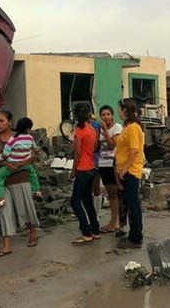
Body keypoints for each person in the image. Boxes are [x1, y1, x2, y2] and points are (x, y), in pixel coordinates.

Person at [0, 111, 39, 257]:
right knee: (4, 212)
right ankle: (6, 246)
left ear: (10, 122)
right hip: (4, 181)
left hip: (20, 178)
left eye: (2, 121)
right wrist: (6, 163)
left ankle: (33, 231)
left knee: (24, 208)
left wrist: (22, 162)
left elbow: (32, 154)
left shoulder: (21, 136)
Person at [0, 117, 40, 210]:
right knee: (33, 175)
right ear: (28, 129)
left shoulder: (13, 139)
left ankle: (0, 200)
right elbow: (35, 148)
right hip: (26, 165)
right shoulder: (30, 138)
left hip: (12, 166)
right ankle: (37, 191)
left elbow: (5, 154)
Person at [115, 98, 144, 249]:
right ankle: (133, 234)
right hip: (124, 170)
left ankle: (135, 237)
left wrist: (125, 167)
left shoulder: (133, 128)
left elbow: (134, 150)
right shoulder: (127, 127)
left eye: (119, 109)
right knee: (129, 203)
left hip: (131, 171)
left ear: (125, 110)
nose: (118, 112)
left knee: (133, 204)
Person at [70, 103, 100, 244]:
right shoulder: (92, 129)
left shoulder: (79, 131)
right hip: (92, 167)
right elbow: (94, 147)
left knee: (75, 202)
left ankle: (86, 231)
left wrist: (73, 170)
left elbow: (77, 153)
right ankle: (95, 230)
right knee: (87, 200)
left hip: (82, 168)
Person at [97, 105, 123, 233]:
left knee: (114, 194)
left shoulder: (117, 128)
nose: (106, 117)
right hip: (102, 164)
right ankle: (113, 221)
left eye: (108, 114)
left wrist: (105, 131)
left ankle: (115, 221)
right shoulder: (99, 130)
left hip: (113, 164)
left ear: (112, 115)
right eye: (103, 114)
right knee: (110, 194)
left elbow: (113, 145)